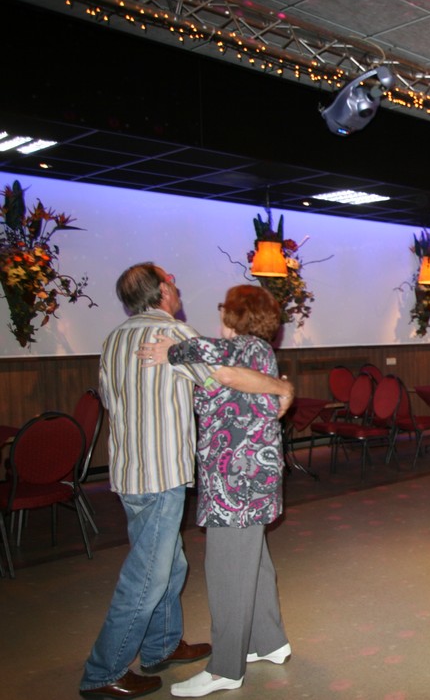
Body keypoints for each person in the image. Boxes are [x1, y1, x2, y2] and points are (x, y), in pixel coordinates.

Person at [80, 264, 293, 699]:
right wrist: (283, 389)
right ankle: (109, 668)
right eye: (172, 282)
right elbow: (228, 377)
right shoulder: (174, 335)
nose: (177, 287)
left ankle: (187, 652)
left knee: (187, 563)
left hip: (133, 471)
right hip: (168, 469)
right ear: (162, 292)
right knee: (154, 572)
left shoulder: (113, 339)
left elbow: (110, 398)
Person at [138, 285, 291, 698]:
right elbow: (224, 379)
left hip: (235, 485)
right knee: (253, 564)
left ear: (235, 314)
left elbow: (210, 360)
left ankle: (225, 668)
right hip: (248, 481)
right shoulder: (257, 353)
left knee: (227, 572)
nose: (219, 313)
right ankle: (270, 641)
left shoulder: (240, 350)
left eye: (224, 307)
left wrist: (171, 350)